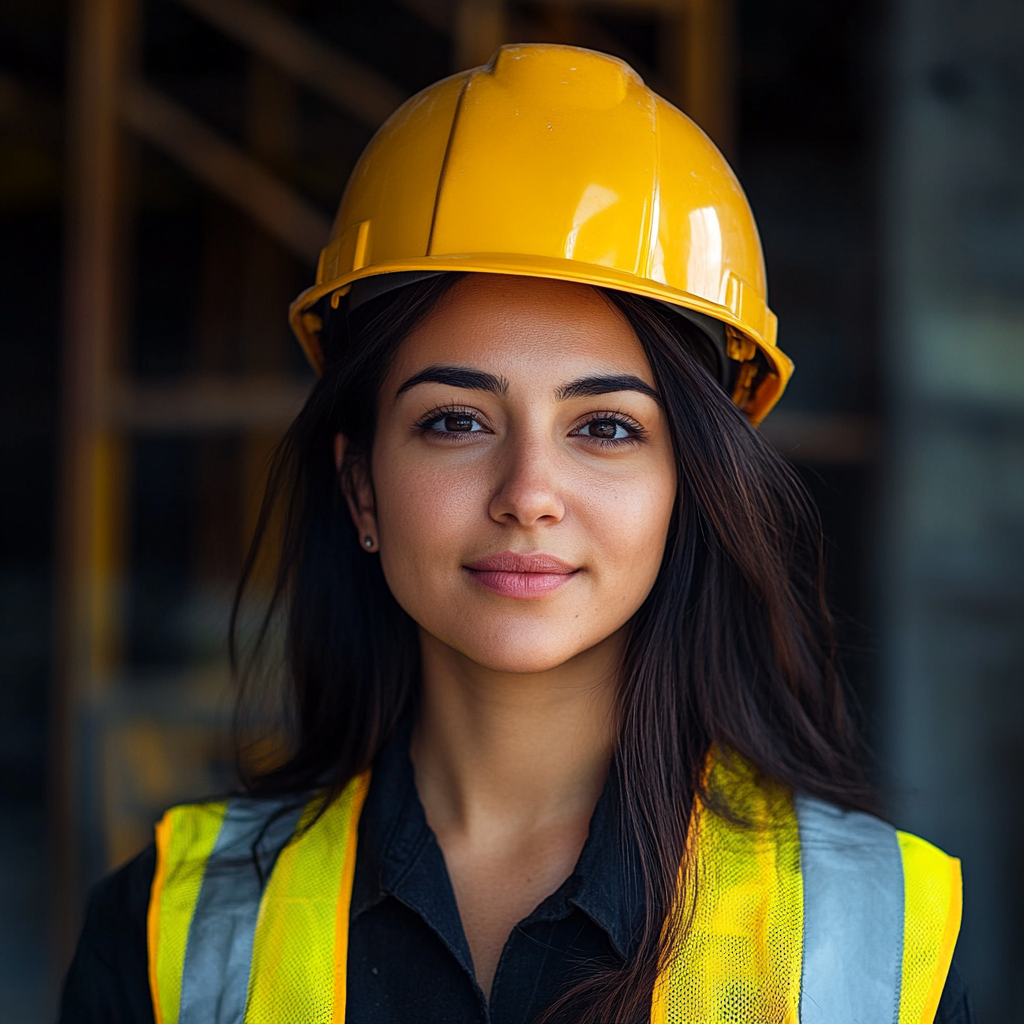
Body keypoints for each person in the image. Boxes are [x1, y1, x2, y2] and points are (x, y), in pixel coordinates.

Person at [59, 44, 973, 1024]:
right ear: (362, 488)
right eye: (455, 421)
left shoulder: (877, 945)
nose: (528, 493)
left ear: (688, 490)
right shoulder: (175, 933)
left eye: (606, 427)